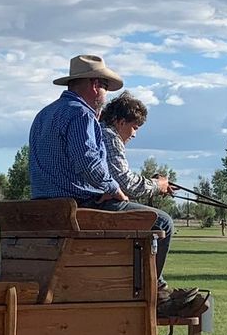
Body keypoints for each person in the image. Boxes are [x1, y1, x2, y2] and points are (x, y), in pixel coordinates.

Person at [29, 55, 202, 318]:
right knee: (162, 222)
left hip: (46, 207)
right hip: (79, 208)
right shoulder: (81, 114)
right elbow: (88, 161)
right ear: (95, 85)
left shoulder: (44, 114)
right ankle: (153, 294)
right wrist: (112, 188)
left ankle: (155, 286)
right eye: (106, 88)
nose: (106, 96)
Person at [99, 91, 178, 277]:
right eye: (134, 127)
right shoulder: (110, 136)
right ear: (120, 122)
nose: (134, 134)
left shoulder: (99, 132)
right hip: (98, 206)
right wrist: (157, 185)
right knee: (163, 223)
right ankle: (154, 286)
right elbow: (126, 183)